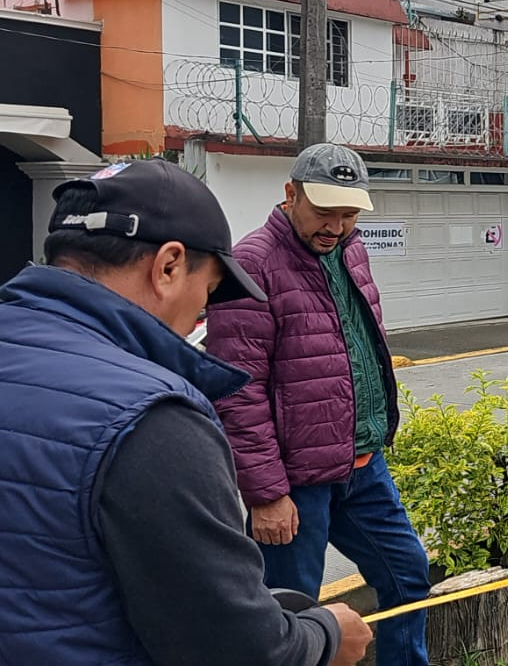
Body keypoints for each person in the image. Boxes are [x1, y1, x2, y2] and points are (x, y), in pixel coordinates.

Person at [0, 159, 371, 666]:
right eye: (212, 289)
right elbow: (236, 646)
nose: (204, 308)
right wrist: (325, 637)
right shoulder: (154, 420)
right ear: (169, 266)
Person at [206, 144, 429, 666]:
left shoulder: (351, 249)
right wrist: (265, 494)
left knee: (407, 573)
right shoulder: (252, 263)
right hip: (295, 482)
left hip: (364, 464)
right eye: (324, 212)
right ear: (291, 195)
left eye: (349, 214)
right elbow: (237, 389)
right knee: (289, 615)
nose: (337, 226)